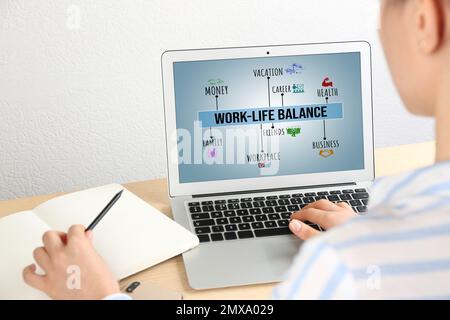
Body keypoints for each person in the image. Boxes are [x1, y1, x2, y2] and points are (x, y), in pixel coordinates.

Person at [23, 0, 450, 299]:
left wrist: (97, 295)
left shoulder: (352, 265)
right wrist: (363, 237)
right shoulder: (386, 243)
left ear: (423, 21)